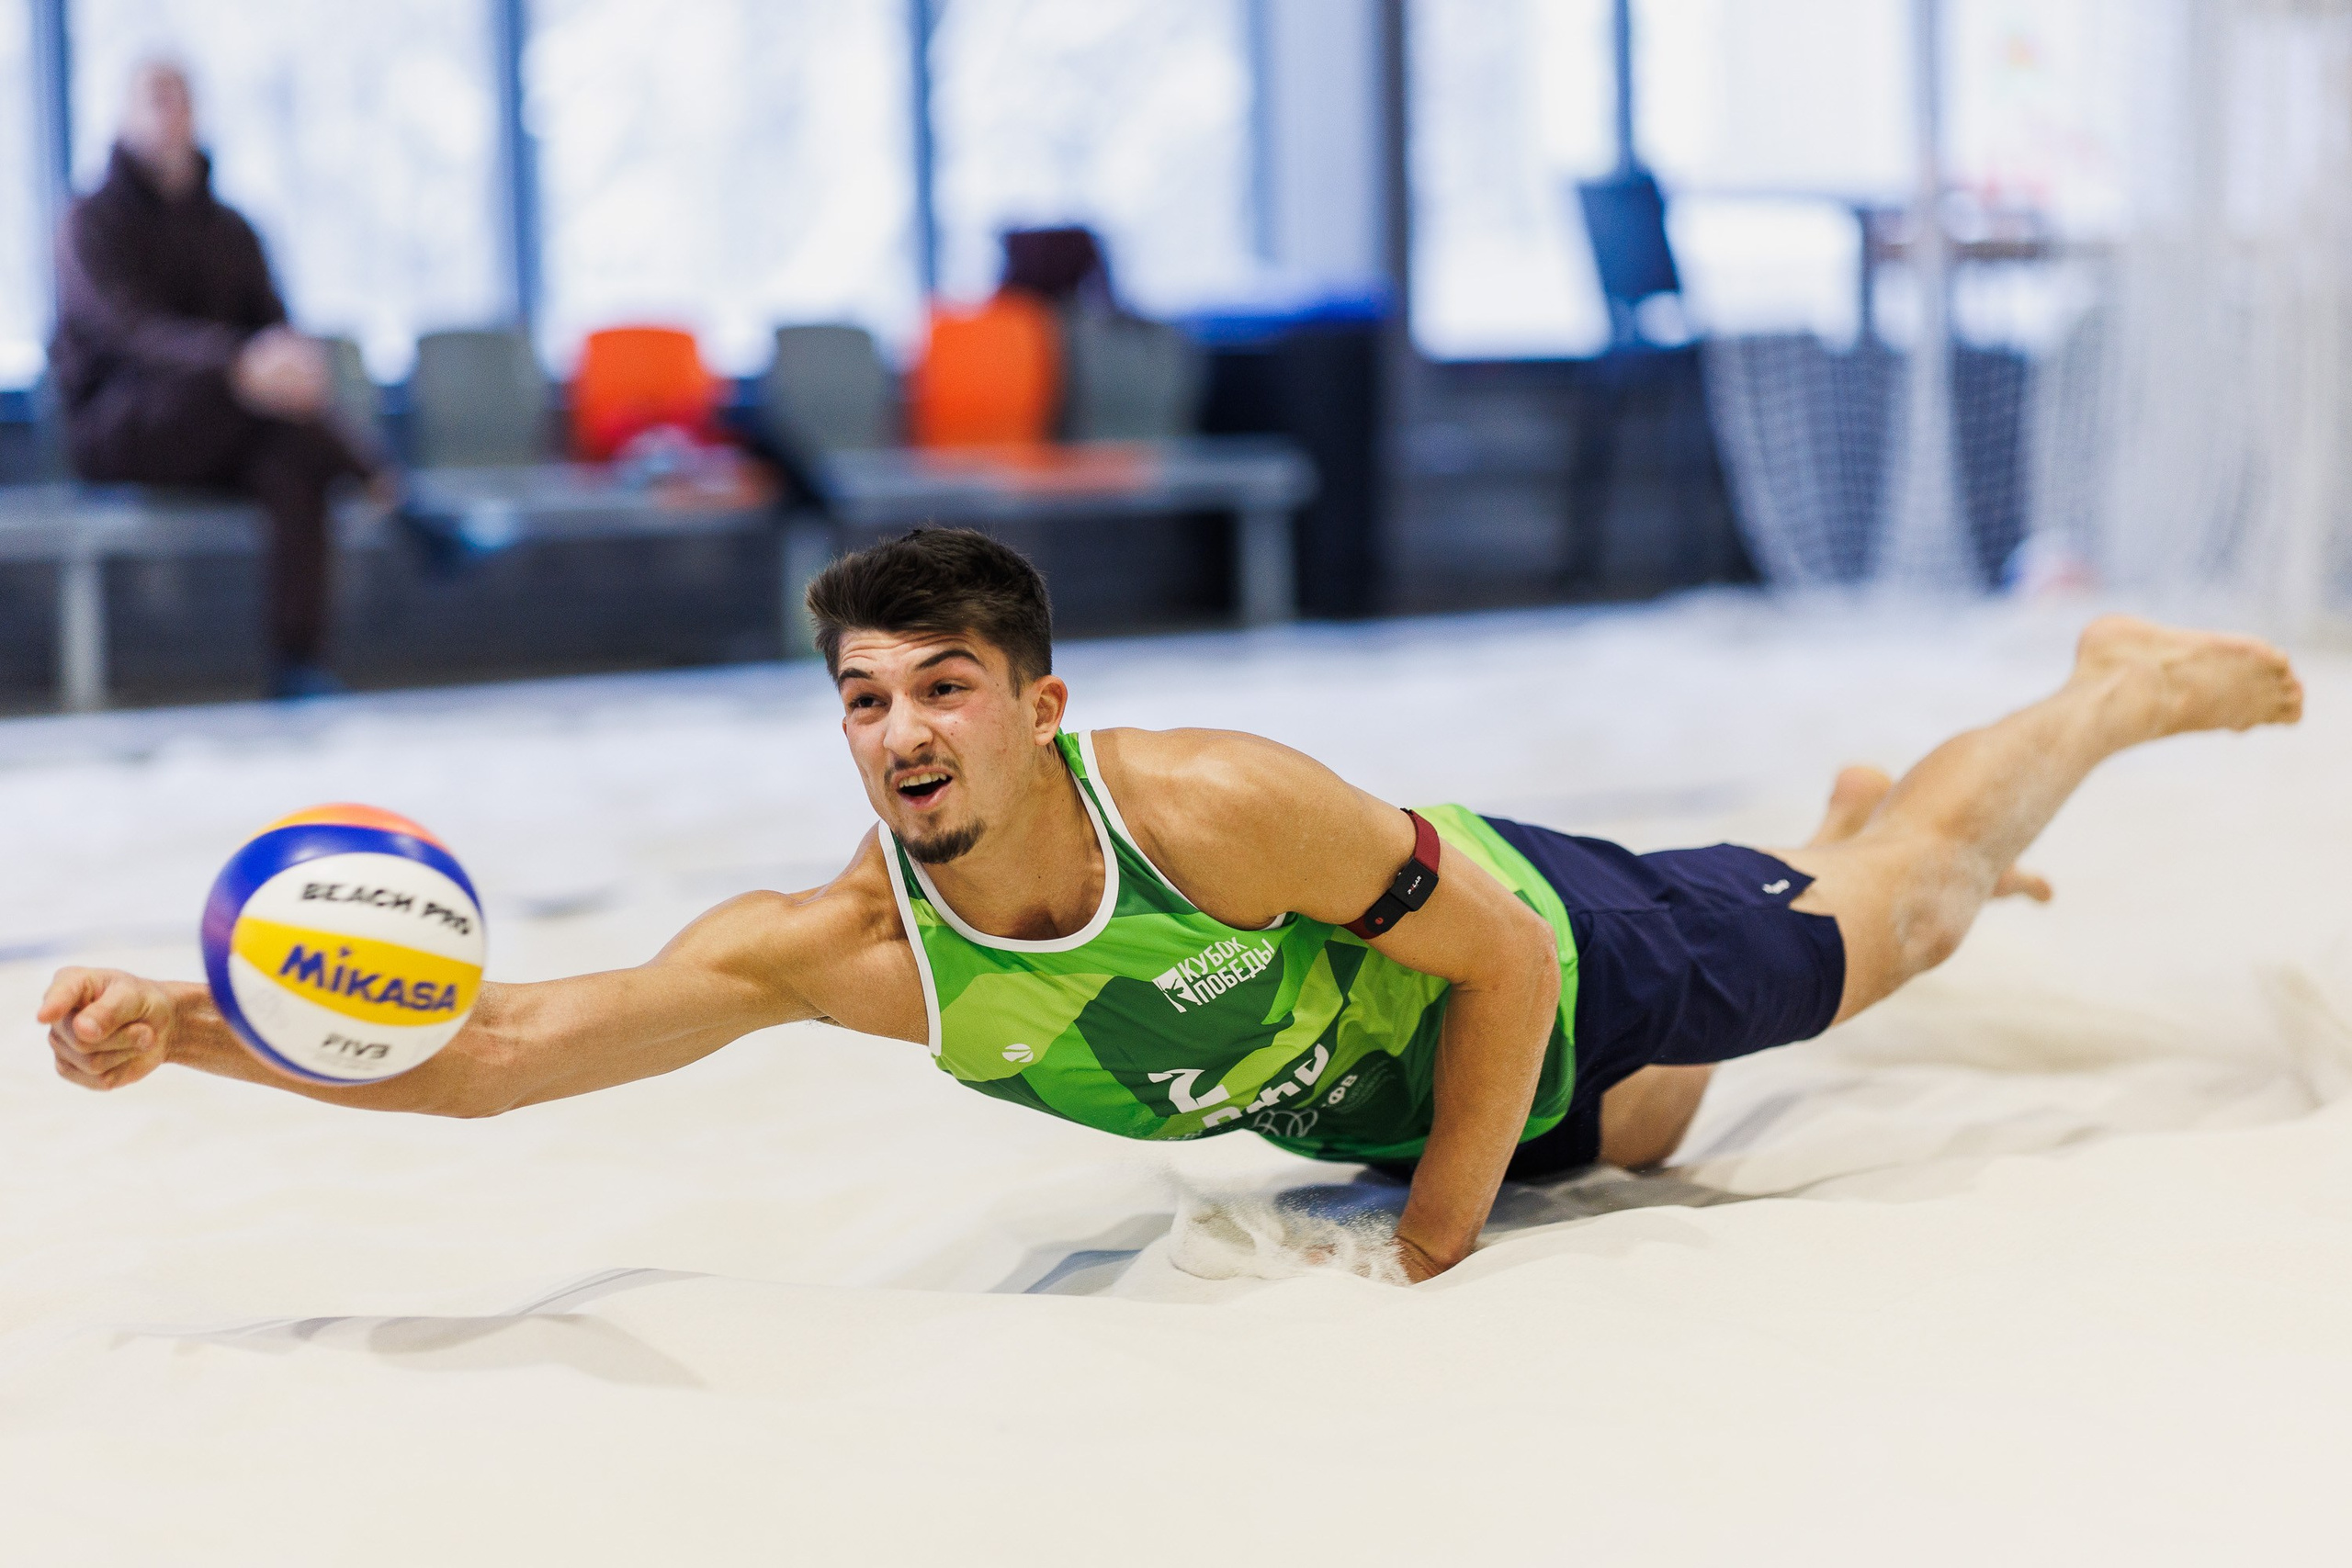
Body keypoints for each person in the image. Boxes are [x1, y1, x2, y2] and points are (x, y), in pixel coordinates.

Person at [37, 529, 2306, 1281]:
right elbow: (507, 1049)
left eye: (943, 686)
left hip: (1529, 939)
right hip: (1397, 1083)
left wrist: (1435, 1237)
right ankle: (1827, 825)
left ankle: (2104, 688)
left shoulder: (1209, 808)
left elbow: (1495, 957)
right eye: (861, 698)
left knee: (1889, 924)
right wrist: (200, 1028)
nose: (899, 731)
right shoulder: (842, 948)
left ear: (1037, 706)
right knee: (1635, 1131)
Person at [48, 60, 383, 700]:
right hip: (120, 428)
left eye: (180, 99)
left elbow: (274, 325)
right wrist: (238, 363)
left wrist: (284, 361)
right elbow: (128, 331)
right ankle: (389, 486)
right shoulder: (89, 222)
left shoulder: (231, 229)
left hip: (224, 433)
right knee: (238, 390)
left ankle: (298, 665)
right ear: (123, 114)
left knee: (290, 463)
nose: (169, 114)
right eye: (154, 99)